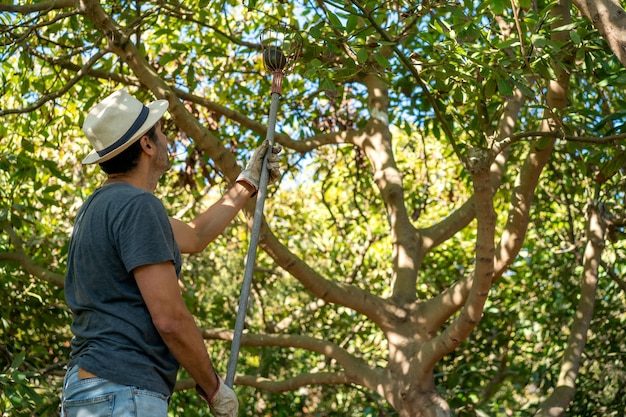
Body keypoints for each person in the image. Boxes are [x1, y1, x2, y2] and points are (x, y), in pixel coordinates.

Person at [61, 89, 281, 417]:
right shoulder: (138, 207)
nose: (166, 138)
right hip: (122, 392)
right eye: (161, 132)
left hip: (88, 390)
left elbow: (195, 235)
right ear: (147, 146)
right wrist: (214, 388)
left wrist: (247, 182)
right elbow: (169, 318)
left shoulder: (101, 206)